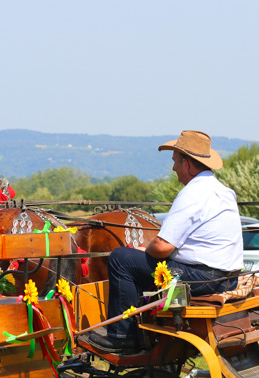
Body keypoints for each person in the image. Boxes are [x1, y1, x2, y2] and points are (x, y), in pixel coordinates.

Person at [88, 130, 243, 353]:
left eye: (175, 162)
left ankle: (122, 336)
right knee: (137, 262)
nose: (173, 169)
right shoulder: (223, 190)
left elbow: (162, 246)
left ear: (187, 164)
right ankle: (143, 330)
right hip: (228, 278)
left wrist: (145, 249)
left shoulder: (193, 193)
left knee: (121, 258)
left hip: (203, 278)